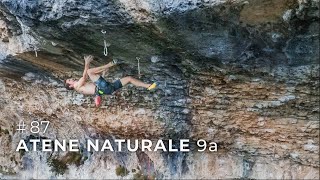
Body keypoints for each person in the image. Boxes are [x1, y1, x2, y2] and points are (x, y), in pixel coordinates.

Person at [64, 55, 157, 107]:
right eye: (69, 80)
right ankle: (110, 64)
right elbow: (85, 76)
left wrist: (103, 74)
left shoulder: (81, 86)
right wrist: (87, 62)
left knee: (129, 78)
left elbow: (93, 80)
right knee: (89, 71)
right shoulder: (77, 86)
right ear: (70, 86)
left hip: (108, 89)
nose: (71, 79)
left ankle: (148, 86)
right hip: (102, 88)